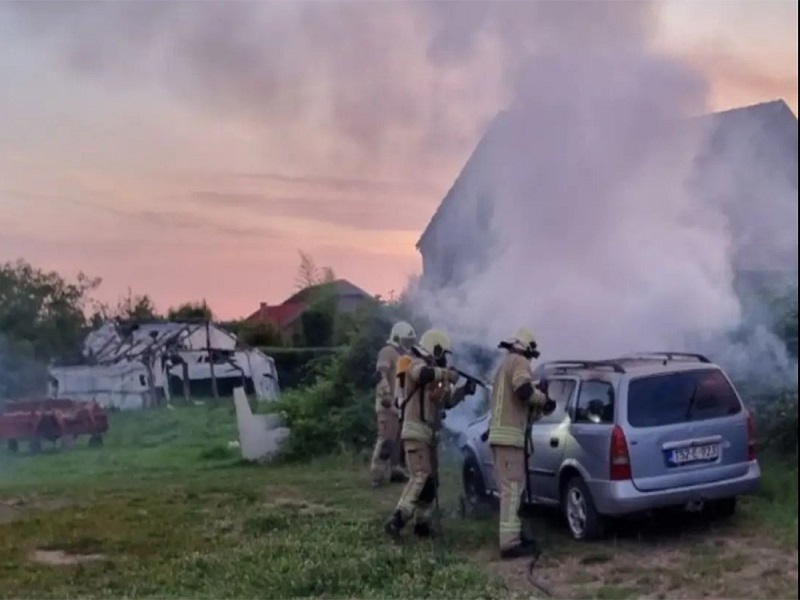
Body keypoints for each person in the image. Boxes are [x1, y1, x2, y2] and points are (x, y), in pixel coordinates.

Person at [384, 328, 477, 540]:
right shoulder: (414, 362)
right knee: (420, 477)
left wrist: (464, 390)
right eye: (443, 353)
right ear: (434, 349)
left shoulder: (434, 373)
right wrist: (446, 374)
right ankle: (396, 521)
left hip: (428, 435)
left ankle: (422, 526)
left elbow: (446, 402)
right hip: (415, 431)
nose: (444, 359)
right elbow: (421, 374)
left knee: (431, 482)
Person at [488, 327, 556, 559]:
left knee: (514, 489)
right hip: (509, 439)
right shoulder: (518, 361)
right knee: (512, 490)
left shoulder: (505, 365)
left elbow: (523, 405)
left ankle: (515, 534)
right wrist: (544, 398)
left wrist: (540, 405)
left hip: (505, 438)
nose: (530, 361)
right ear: (527, 349)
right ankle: (509, 543)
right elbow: (524, 391)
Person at [370, 321, 416, 487]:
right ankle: (377, 474)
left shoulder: (404, 356)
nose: (408, 344)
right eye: (406, 340)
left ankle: (395, 470)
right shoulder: (387, 352)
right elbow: (380, 375)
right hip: (387, 404)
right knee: (386, 440)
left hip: (399, 404)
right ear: (397, 338)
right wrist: (386, 395)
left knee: (398, 441)